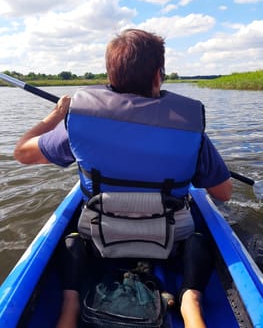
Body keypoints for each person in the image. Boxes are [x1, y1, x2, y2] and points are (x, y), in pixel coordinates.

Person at [14, 29, 232, 328]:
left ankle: (69, 307)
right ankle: (191, 301)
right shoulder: (189, 127)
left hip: (100, 239)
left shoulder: (79, 121)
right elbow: (223, 193)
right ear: (159, 75)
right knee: (198, 242)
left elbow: (22, 153)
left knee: (71, 244)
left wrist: (56, 115)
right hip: (171, 241)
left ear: (110, 76)